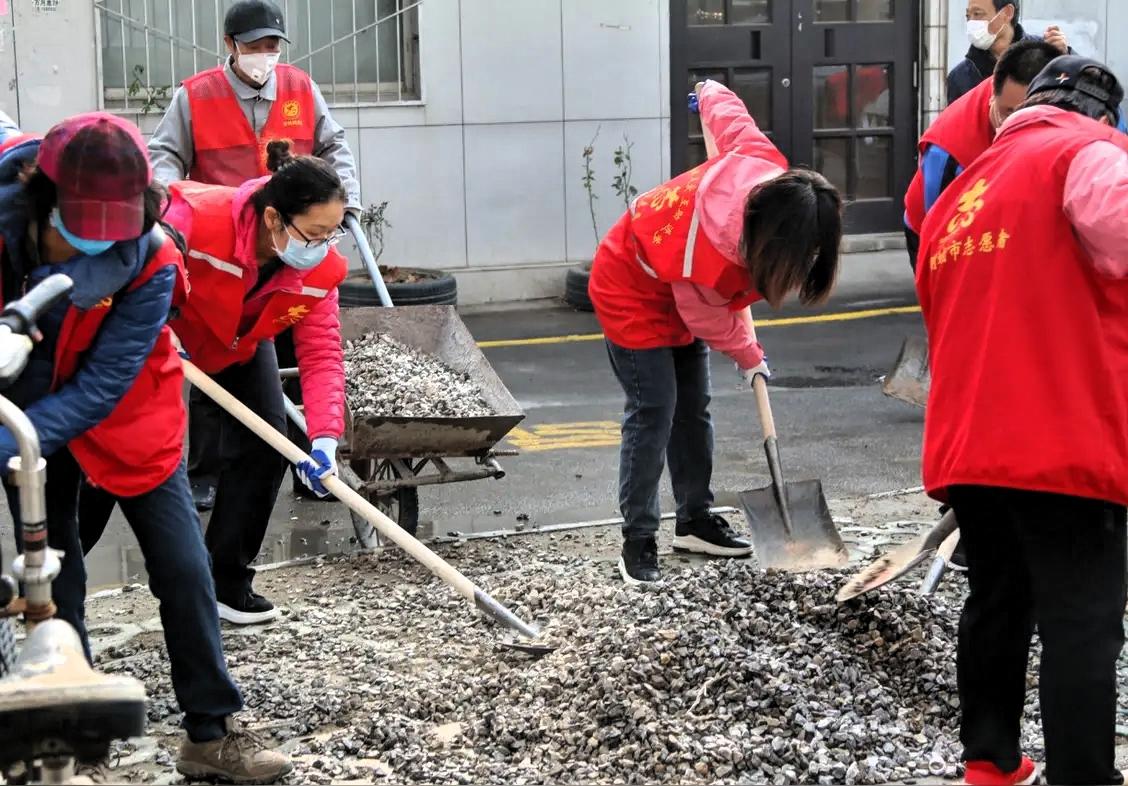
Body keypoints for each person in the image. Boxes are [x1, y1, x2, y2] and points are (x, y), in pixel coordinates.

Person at [0, 112, 291, 782]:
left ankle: (211, 733)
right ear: (41, 197)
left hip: (129, 411)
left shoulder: (154, 256)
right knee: (54, 566)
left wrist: (11, 437)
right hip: (19, 397)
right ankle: (71, 729)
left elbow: (104, 382)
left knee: (185, 569)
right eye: (78, 231)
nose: (93, 251)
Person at [917, 55, 1128, 786]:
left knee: (998, 601)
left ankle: (991, 763)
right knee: (1082, 620)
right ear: (1104, 115)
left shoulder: (962, 190)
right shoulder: (1087, 153)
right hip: (1063, 438)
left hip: (971, 442)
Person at [588, 80, 843, 585]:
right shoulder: (709, 251)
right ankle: (638, 539)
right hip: (632, 286)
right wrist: (749, 354)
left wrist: (708, 92)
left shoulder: (762, 163)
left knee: (693, 406)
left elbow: (731, 119)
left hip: (681, 284)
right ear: (772, 245)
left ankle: (695, 520)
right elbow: (705, 317)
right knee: (654, 409)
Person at [81, 141, 347, 626]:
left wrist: (326, 434)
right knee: (109, 457)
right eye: (314, 232)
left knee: (268, 447)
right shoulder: (195, 218)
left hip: (238, 341)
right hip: (154, 331)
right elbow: (131, 271)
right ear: (273, 218)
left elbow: (322, 352)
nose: (322, 245)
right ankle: (55, 579)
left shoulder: (321, 269)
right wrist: (155, 331)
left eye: (332, 233)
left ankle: (225, 582)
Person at [148, 0, 361, 512]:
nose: (265, 55)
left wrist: (343, 205)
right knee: (212, 354)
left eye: (272, 46)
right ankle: (205, 470)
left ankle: (306, 461)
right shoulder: (196, 96)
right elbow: (164, 158)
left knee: (281, 357)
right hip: (216, 247)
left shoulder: (299, 87)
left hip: (289, 239)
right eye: (255, 46)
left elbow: (334, 146)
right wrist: (176, 218)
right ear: (231, 47)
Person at [905, 39, 1060, 269]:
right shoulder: (949, 151)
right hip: (945, 232)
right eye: (1009, 112)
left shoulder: (1076, 111)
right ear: (992, 95)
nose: (1019, 121)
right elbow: (939, 237)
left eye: (1031, 112)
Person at [948, 1, 1068, 104]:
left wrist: (1065, 59)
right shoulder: (959, 77)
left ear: (1007, 13)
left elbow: (1075, 94)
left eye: (978, 14)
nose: (971, 23)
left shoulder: (1044, 54)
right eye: (968, 16)